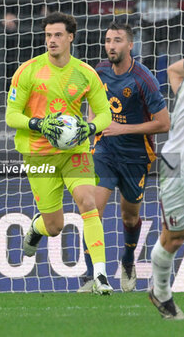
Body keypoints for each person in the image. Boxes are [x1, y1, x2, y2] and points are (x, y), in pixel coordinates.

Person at [6, 11, 113, 295]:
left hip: (75, 151)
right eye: (47, 35)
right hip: (39, 155)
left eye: (56, 35)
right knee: (55, 226)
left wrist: (88, 128)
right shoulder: (27, 70)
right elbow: (11, 115)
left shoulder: (86, 73)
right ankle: (36, 228)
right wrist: (38, 123)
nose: (51, 41)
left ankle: (101, 275)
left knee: (88, 202)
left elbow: (105, 115)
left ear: (70, 38)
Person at [78, 21, 170, 293]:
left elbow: (164, 123)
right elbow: (93, 103)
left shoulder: (144, 79)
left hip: (136, 156)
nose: (111, 46)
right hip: (105, 151)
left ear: (130, 45)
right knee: (92, 210)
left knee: (129, 218)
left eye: (117, 40)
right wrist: (93, 126)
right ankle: (91, 276)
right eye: (107, 40)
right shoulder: (100, 71)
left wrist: (122, 128)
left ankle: (128, 261)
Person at [149, 59, 184, 320]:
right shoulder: (179, 75)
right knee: (173, 237)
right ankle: (160, 292)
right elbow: (174, 69)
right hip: (177, 163)